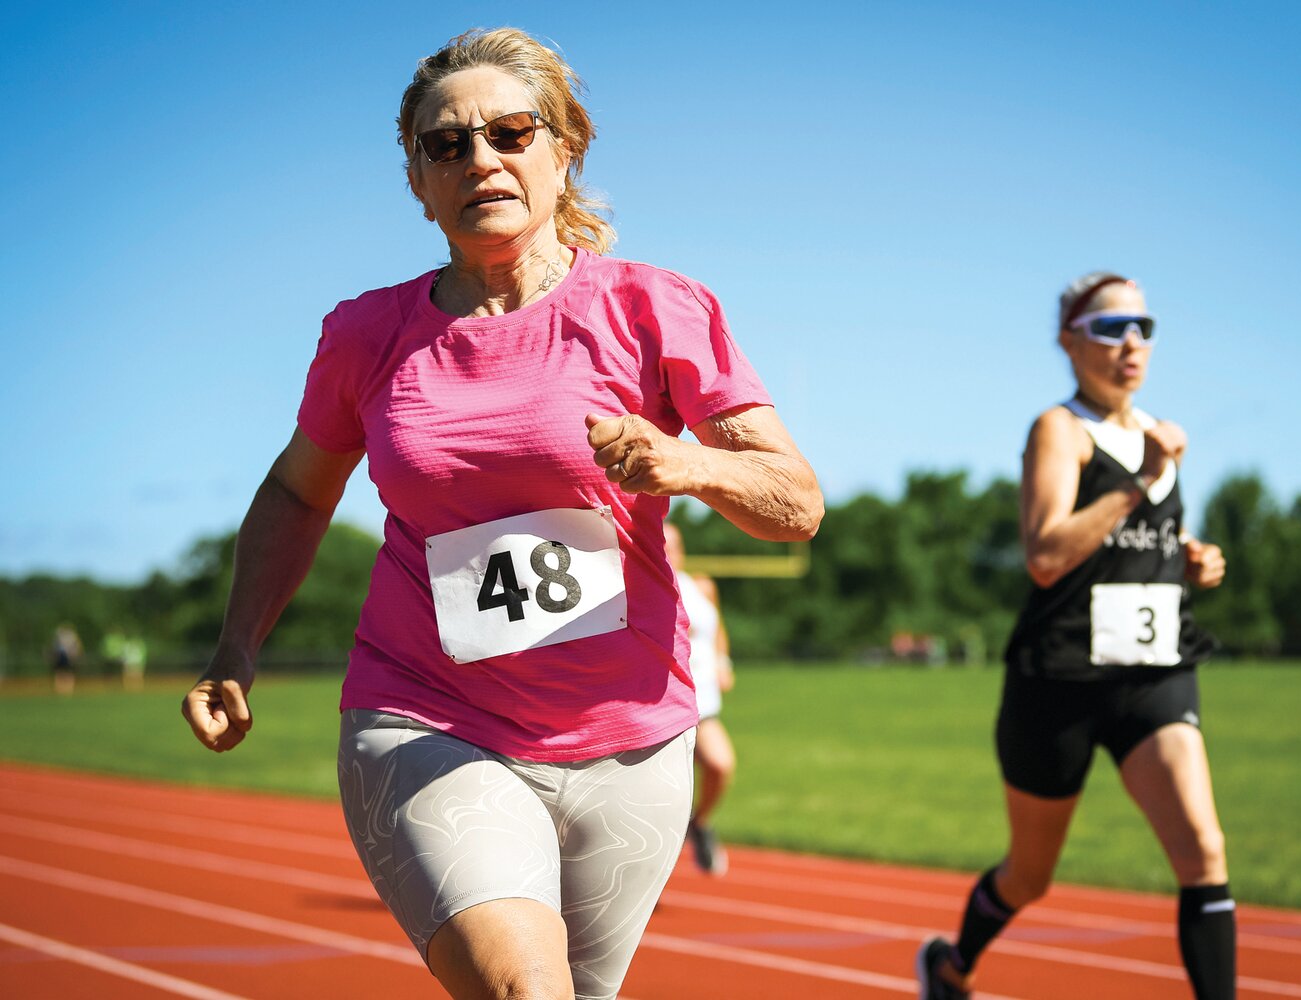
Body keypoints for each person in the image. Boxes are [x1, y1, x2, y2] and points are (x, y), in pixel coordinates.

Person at [181, 27, 822, 1000]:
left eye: (511, 132)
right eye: (448, 144)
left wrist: (687, 461)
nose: (481, 158)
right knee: (528, 991)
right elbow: (297, 491)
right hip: (427, 716)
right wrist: (236, 648)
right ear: (417, 181)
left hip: (633, 737)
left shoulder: (657, 310)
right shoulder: (368, 335)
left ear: (564, 149)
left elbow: (795, 501)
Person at [918, 272, 1234, 1000]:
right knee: (1030, 875)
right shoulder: (1059, 430)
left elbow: (1145, 538)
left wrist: (1193, 554)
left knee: (1204, 851)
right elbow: (1047, 553)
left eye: (1143, 329)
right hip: (1059, 679)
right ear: (1069, 339)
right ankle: (951, 965)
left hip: (1153, 674)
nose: (1130, 343)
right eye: (1110, 327)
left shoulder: (1157, 436)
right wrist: (1140, 480)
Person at [663, 522, 736, 875]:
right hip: (663, 704)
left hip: (703, 703)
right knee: (663, 798)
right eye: (663, 543)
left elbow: (717, 627)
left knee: (720, 764)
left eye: (675, 544)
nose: (669, 551)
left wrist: (723, 661)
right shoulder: (645, 586)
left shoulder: (703, 586)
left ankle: (701, 822)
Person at [50, 624, 82, 695]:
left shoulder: (70, 636)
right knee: (61, 672)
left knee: (67, 672)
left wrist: (75, 654)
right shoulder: (60, 636)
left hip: (67, 656)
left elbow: (76, 646)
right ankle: (61, 688)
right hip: (62, 656)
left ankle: (67, 688)